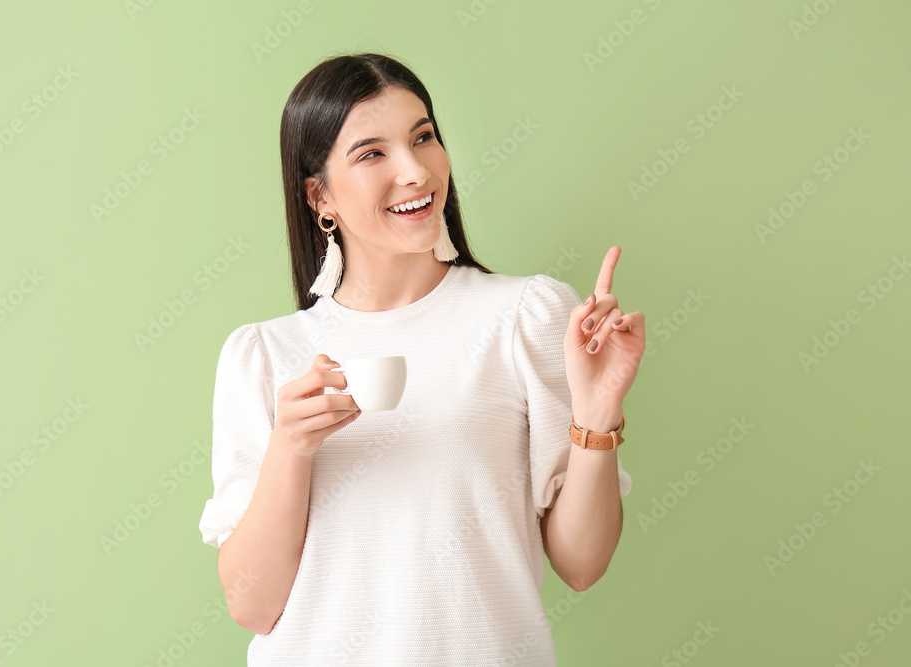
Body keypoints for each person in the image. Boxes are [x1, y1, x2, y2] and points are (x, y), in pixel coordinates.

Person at [198, 52, 642, 666]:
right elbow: (253, 607)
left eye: (423, 137)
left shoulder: (523, 317)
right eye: (372, 153)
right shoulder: (264, 356)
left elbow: (582, 565)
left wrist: (596, 416)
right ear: (318, 195)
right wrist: (290, 450)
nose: (416, 171)